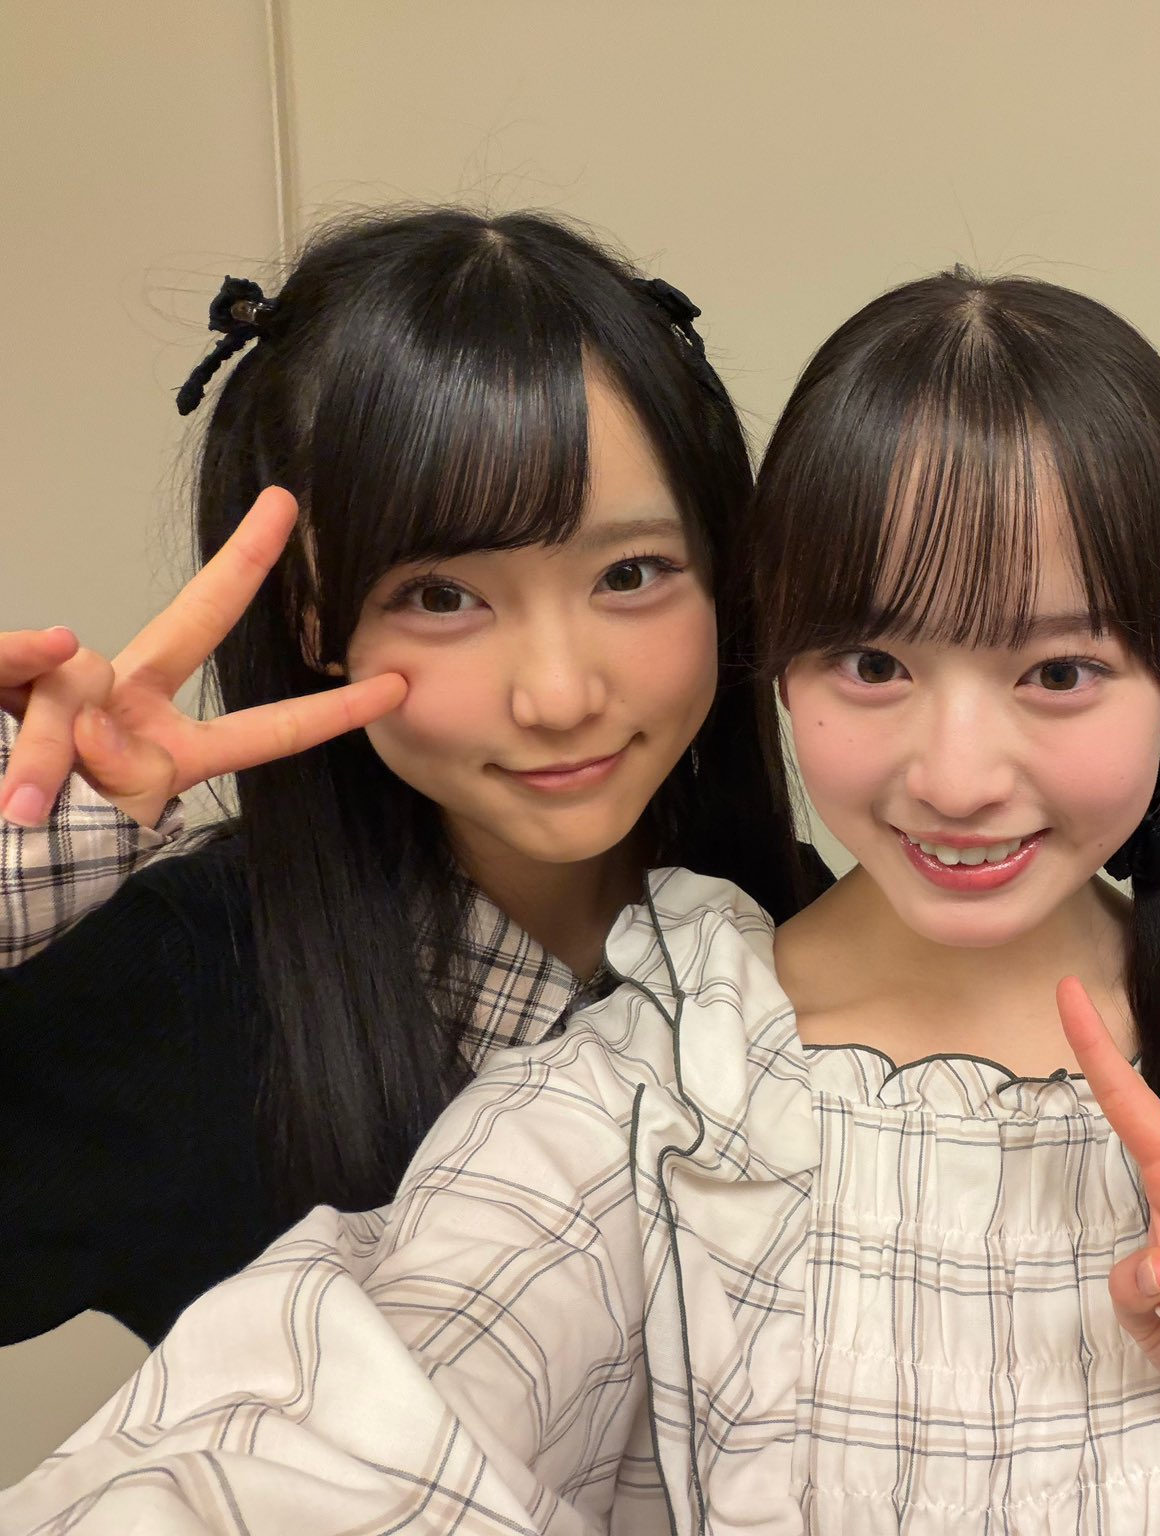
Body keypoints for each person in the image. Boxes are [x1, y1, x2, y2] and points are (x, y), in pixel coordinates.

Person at [1, 270, 1160, 1534]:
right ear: (776, 642)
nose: (957, 774)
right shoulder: (664, 1080)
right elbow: (312, 1440)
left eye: (1058, 670)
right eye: (872, 662)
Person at [0, 206, 818, 1346]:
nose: (558, 695)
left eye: (631, 573)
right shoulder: (178, 986)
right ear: (313, 615)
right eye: (443, 597)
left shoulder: (809, 932)